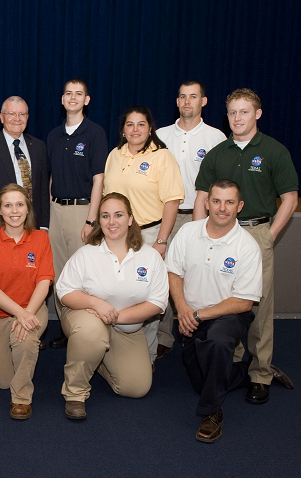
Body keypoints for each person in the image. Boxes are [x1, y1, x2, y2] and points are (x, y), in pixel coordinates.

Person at [194, 88, 298, 404]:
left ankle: (260, 373)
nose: (237, 118)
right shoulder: (217, 153)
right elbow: (201, 198)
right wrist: (201, 235)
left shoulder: (274, 151)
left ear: (257, 114)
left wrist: (268, 237)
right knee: (226, 302)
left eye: (244, 112)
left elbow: (290, 199)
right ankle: (233, 365)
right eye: (232, 113)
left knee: (259, 306)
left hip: (256, 234)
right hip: (220, 235)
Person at [56, 193, 168, 420]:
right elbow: (65, 291)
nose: (112, 221)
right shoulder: (86, 253)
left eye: (118, 215)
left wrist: (116, 317)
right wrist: (96, 303)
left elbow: (157, 302)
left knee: (136, 388)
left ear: (130, 219)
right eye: (105, 216)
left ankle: (93, 359)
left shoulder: (150, 257)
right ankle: (75, 392)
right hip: (86, 317)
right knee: (91, 333)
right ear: (99, 221)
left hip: (126, 327)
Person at [167, 179, 262, 442]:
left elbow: (244, 302)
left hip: (228, 316)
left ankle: (211, 414)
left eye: (229, 202)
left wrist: (197, 315)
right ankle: (246, 372)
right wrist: (184, 309)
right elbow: (174, 272)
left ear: (239, 206)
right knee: (202, 382)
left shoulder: (247, 247)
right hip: (192, 314)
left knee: (218, 342)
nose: (222, 208)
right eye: (217, 201)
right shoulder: (188, 232)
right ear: (207, 203)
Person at [103, 105, 184, 365]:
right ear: (123, 130)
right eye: (130, 124)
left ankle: (147, 357)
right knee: (117, 291)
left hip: (149, 235)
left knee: (147, 296)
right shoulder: (114, 155)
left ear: (150, 128)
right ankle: (114, 349)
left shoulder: (163, 157)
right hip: (116, 235)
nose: (135, 129)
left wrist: (161, 241)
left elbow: (171, 202)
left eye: (141, 124)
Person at [155, 81, 226, 359]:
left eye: (193, 97)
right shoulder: (160, 135)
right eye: (183, 97)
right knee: (163, 278)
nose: (187, 102)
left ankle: (196, 333)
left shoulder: (216, 137)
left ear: (203, 102)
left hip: (200, 218)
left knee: (196, 278)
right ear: (177, 101)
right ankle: (162, 336)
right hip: (164, 217)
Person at [0, 184, 54, 419]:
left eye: (20, 204)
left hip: (32, 306)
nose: (14, 211)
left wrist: (26, 313)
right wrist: (19, 313)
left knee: (25, 340)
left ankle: (21, 398)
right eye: (7, 205)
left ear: (28, 209)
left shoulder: (40, 238)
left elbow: (44, 281)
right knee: (3, 381)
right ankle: (23, 355)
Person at [47, 79, 108, 349]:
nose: (73, 98)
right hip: (56, 210)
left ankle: (87, 330)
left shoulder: (95, 133)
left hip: (82, 211)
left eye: (78, 94)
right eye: (68, 93)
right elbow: (51, 176)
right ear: (62, 100)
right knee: (60, 274)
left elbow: (99, 180)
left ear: (87, 99)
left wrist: (91, 220)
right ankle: (67, 326)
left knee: (83, 275)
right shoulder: (53, 135)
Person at [0, 96, 49, 236]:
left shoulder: (38, 147)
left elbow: (42, 190)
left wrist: (44, 225)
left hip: (32, 226)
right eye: (11, 114)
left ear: (27, 117)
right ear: (1, 117)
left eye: (22, 114)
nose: (17, 118)